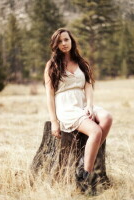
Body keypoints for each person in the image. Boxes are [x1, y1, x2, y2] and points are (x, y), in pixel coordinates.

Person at [44, 28, 113, 183]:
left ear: (71, 41)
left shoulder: (82, 62)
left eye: (66, 39)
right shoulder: (52, 65)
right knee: (95, 131)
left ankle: (86, 157)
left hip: (83, 103)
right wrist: (54, 122)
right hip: (66, 107)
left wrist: (89, 105)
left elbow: (88, 86)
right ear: (55, 45)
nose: (64, 43)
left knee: (107, 118)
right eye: (60, 41)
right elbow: (49, 94)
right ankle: (85, 175)